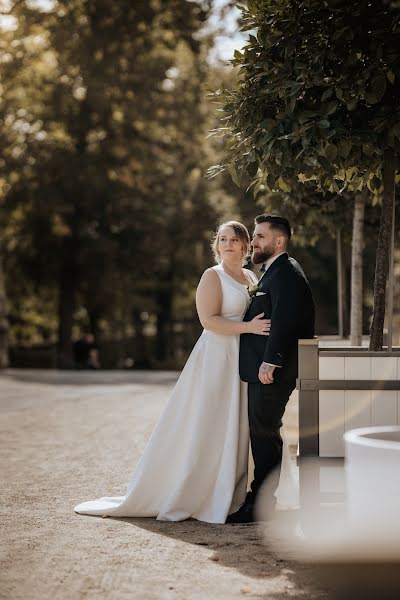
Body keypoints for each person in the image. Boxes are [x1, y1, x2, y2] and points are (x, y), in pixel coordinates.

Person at [74, 221, 272, 523]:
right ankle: (194, 492)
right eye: (223, 239)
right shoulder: (212, 276)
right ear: (216, 245)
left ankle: (227, 493)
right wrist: (248, 327)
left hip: (241, 360)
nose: (228, 244)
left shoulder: (249, 276)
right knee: (208, 422)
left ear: (246, 246)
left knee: (233, 425)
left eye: (235, 239)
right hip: (217, 358)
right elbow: (208, 320)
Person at [227, 214, 315, 523]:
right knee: (264, 432)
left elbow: (287, 320)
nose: (254, 242)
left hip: (273, 370)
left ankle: (260, 504)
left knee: (264, 433)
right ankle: (262, 500)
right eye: (254, 236)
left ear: (279, 241)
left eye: (260, 236)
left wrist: (272, 360)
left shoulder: (286, 273)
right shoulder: (273, 272)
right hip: (266, 368)